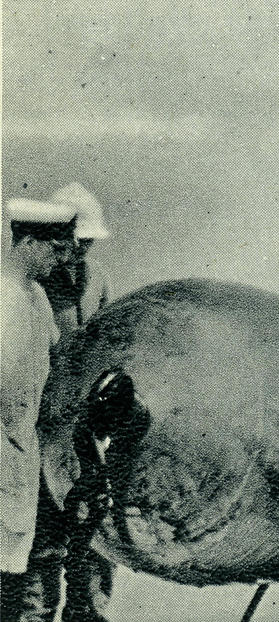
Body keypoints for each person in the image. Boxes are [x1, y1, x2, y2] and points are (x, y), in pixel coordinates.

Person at [30, 183, 114, 621]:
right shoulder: (31, 284)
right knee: (44, 543)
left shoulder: (97, 279)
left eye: (87, 243)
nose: (80, 251)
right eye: (75, 242)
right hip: (41, 425)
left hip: (84, 431)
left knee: (96, 543)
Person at [1, 199, 75, 621]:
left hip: (22, 453)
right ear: (28, 242)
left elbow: (53, 366)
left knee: (12, 575)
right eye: (55, 249)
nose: (61, 261)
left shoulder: (38, 300)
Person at [39, 183, 111, 334]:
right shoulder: (38, 277)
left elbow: (108, 328)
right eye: (80, 239)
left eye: (89, 240)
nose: (82, 247)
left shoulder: (98, 274)